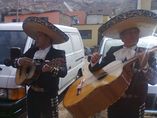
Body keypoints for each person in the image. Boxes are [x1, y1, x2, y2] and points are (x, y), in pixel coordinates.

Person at [89, 9, 157, 118]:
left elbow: (153, 80)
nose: (132, 35)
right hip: (114, 101)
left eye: (135, 32)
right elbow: (100, 75)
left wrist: (145, 65)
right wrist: (94, 63)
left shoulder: (147, 53)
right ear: (121, 37)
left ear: (139, 34)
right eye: (127, 33)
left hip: (136, 105)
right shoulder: (112, 51)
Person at [13, 16, 69, 118]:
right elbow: (14, 62)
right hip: (32, 95)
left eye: (39, 36)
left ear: (48, 38)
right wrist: (20, 61)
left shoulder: (58, 54)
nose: (36, 39)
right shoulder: (32, 51)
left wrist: (51, 69)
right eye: (36, 36)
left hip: (48, 96)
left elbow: (64, 72)